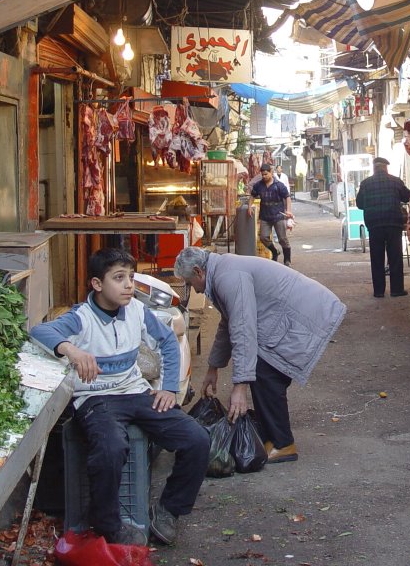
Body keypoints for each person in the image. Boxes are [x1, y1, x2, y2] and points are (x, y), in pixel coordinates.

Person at [30, 248, 209, 547]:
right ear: (97, 284)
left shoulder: (137, 311)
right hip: (96, 400)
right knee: (111, 449)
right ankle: (108, 523)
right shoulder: (81, 318)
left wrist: (168, 388)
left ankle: (168, 511)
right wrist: (70, 349)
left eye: (130, 277)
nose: (128, 285)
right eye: (119, 278)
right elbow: (39, 330)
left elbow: (166, 341)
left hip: (136, 392)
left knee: (197, 439)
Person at [173, 246, 347, 464]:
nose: (194, 290)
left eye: (190, 283)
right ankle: (274, 438)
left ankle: (283, 444)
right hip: (291, 314)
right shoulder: (222, 272)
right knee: (264, 370)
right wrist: (213, 367)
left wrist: (240, 386)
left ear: (199, 271)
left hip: (304, 314)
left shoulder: (228, 276)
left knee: (266, 373)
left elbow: (243, 328)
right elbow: (229, 322)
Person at [355, 157, 410, 298]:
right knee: (395, 257)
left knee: (377, 258)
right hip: (393, 224)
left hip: (374, 226)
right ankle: (396, 289)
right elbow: (407, 197)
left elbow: (360, 204)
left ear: (374, 168)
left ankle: (379, 291)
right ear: (386, 168)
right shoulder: (396, 181)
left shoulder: (365, 184)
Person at [251, 163, 294, 265]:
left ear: (271, 173)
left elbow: (287, 197)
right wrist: (249, 207)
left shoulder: (279, 185)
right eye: (262, 175)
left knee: (282, 239)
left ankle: (287, 260)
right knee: (263, 237)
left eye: (266, 174)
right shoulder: (259, 185)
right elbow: (252, 196)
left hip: (278, 215)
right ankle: (275, 251)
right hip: (265, 215)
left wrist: (288, 210)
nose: (264, 176)